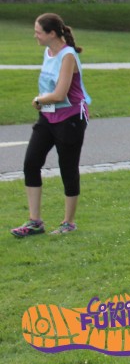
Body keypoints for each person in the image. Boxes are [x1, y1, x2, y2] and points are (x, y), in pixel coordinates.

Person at [11, 14, 92, 237]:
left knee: (68, 168)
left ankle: (69, 223)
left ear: (52, 34)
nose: (35, 35)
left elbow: (60, 94)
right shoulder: (48, 52)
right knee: (31, 163)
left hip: (71, 118)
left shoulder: (68, 56)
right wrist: (42, 104)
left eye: (38, 32)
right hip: (48, 116)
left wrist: (38, 100)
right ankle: (35, 222)